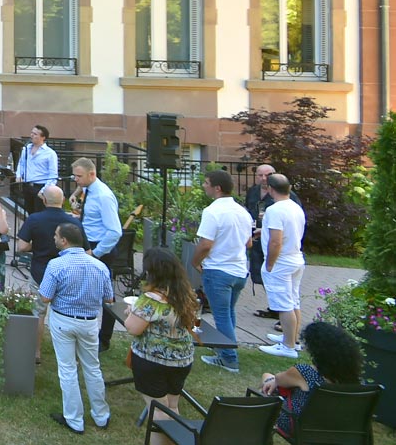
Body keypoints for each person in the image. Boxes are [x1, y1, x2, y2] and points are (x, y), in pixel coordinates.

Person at [38, 222, 113, 435]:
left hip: (63, 320)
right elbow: (109, 298)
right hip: (89, 322)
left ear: (64, 241)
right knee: (92, 367)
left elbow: (44, 297)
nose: (53, 238)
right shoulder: (99, 266)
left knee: (68, 369)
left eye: (55, 235)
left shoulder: (56, 265)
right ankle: (101, 415)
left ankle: (74, 419)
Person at [123, 247, 197, 445]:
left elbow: (133, 328)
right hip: (182, 360)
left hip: (153, 362)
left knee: (157, 411)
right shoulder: (185, 294)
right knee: (172, 406)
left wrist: (131, 312)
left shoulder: (151, 299)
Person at [192, 168, 253, 373]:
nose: (203, 185)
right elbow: (249, 242)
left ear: (217, 188)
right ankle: (224, 350)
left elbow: (205, 245)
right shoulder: (242, 211)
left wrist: (194, 262)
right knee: (228, 313)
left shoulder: (212, 211)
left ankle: (229, 358)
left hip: (218, 271)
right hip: (239, 271)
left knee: (221, 315)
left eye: (206, 182)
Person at [258, 321, 364, 436]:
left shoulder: (304, 372)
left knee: (268, 378)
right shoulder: (354, 380)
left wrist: (271, 380)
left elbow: (279, 379)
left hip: (300, 427)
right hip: (338, 430)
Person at [70, 157, 123, 350]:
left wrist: (96, 253)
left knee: (106, 296)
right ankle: (83, 332)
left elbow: (115, 231)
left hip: (101, 249)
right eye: (74, 176)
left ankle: (104, 338)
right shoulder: (88, 189)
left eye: (79, 176)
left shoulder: (103, 196)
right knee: (84, 290)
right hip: (88, 244)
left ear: (92, 174)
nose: (76, 180)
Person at [17, 183, 73, 362]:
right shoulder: (73, 221)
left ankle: (36, 352)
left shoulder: (34, 219)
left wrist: (37, 246)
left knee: (38, 313)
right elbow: (85, 251)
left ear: (43, 200)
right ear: (63, 200)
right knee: (66, 314)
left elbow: (22, 246)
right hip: (66, 274)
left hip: (40, 272)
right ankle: (68, 354)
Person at [259, 173, 307, 359]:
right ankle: (292, 339)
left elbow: (276, 242)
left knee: (284, 304)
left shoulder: (274, 210)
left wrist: (270, 263)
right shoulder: (295, 207)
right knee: (293, 300)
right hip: (296, 258)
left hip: (281, 261)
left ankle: (288, 347)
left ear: (270, 189)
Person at [246, 162, 302, 307]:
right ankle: (274, 306)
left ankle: (280, 312)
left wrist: (270, 264)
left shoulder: (287, 200)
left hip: (279, 250)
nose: (264, 178)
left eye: (268, 175)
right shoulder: (253, 192)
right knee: (262, 277)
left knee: (285, 294)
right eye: (260, 175)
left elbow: (286, 229)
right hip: (259, 239)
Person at [14, 124, 59, 214]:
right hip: (27, 185)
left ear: (43, 137)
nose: (32, 135)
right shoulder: (26, 149)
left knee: (39, 213)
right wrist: (19, 175)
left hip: (40, 186)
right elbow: (21, 164)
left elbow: (53, 175)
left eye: (35, 134)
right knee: (29, 212)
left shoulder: (50, 153)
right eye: (31, 133)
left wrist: (43, 191)